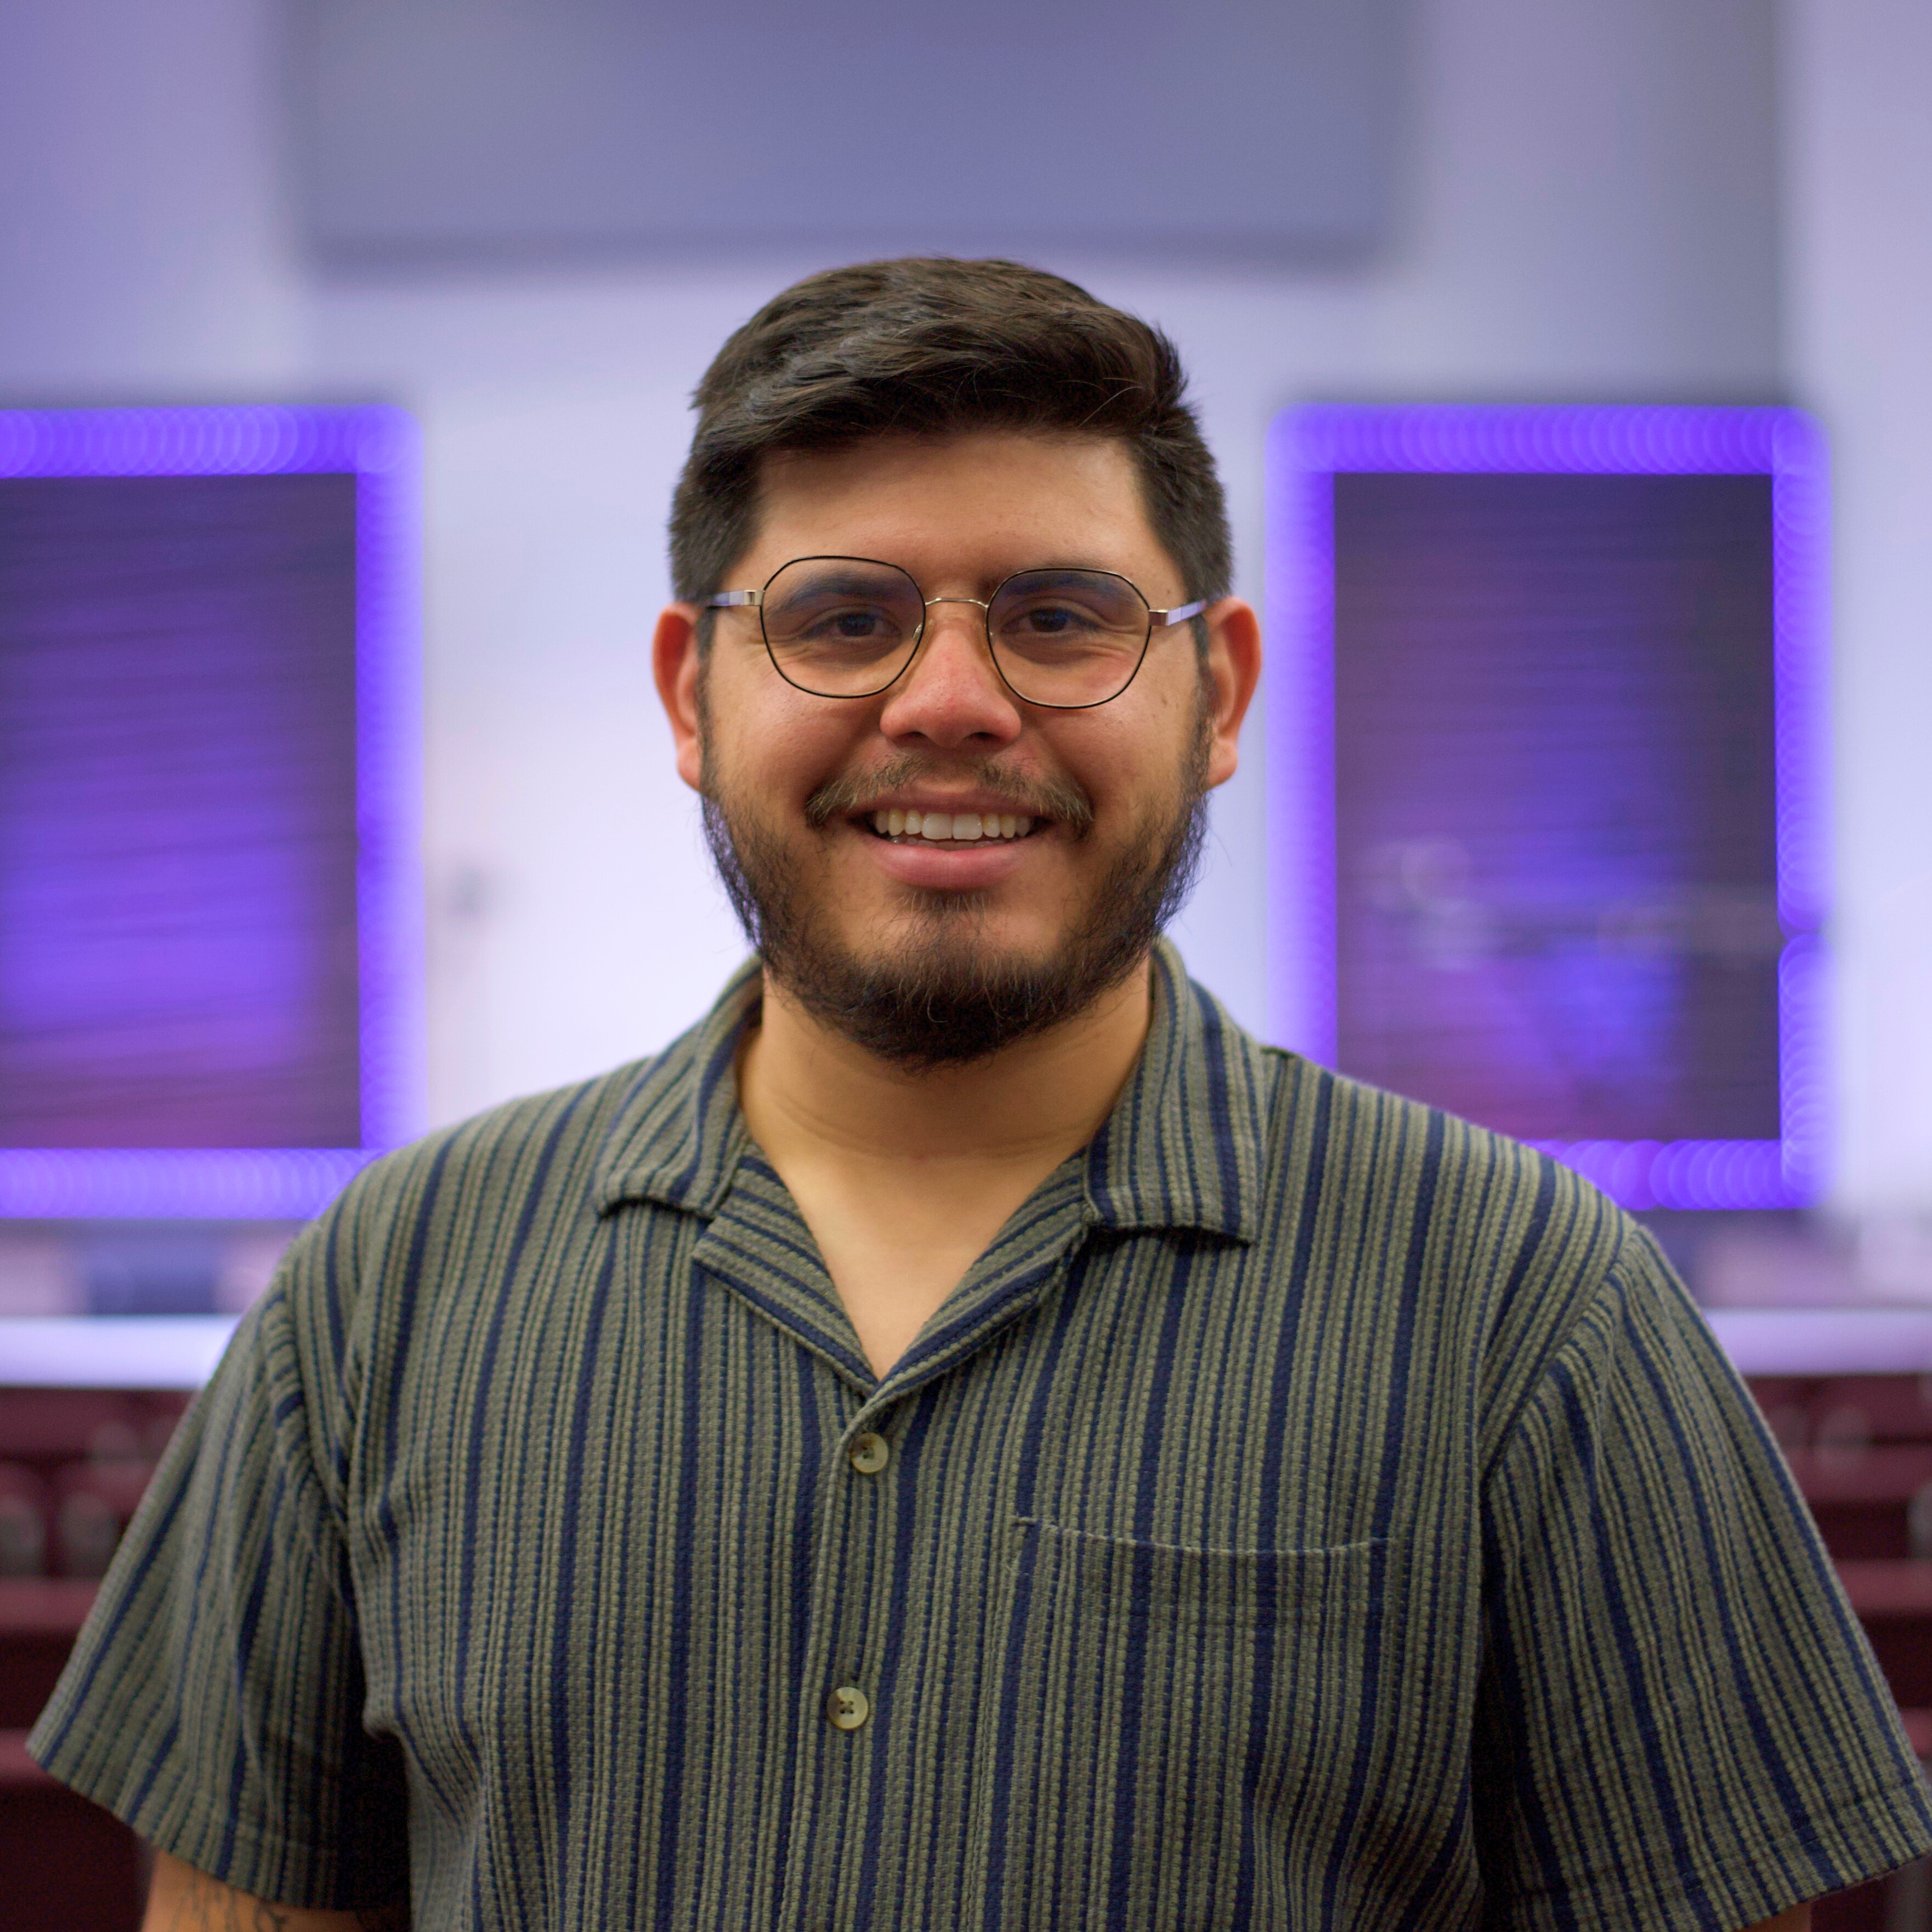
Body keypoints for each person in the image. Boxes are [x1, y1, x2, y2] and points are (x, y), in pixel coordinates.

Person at [30, 259, 1932, 1931]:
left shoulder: (1534, 1308)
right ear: (693, 695)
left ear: (1222, 693)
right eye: (845, 618)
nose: (950, 699)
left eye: (1057, 615)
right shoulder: (386, 1290)